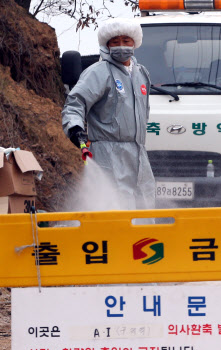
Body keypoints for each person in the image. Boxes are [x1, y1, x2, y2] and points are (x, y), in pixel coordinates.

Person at [62, 18, 155, 210]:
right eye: (115, 42)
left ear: (135, 42)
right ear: (107, 44)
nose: (121, 46)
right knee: (115, 206)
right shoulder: (98, 72)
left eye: (126, 41)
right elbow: (75, 102)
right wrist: (75, 128)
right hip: (108, 154)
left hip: (138, 153)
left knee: (143, 202)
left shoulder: (141, 73)